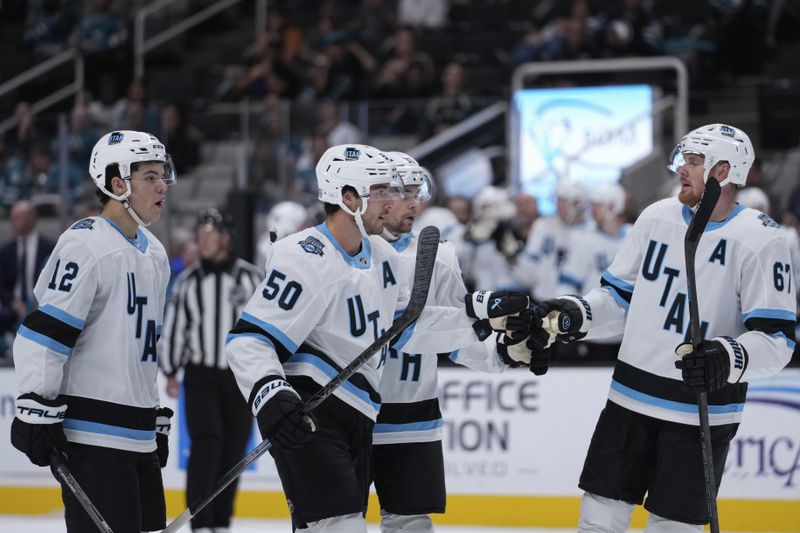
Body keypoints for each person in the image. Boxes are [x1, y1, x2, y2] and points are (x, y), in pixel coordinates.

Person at [224, 144, 525, 532]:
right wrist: (269, 394)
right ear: (348, 199)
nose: (395, 201)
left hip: (361, 414)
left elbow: (410, 327)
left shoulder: (381, 256)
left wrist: (483, 320)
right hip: (315, 411)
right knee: (340, 526)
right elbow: (248, 339)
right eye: (382, 191)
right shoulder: (304, 256)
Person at [525, 124, 796, 531]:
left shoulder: (761, 239)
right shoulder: (657, 216)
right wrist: (576, 314)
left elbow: (777, 341)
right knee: (598, 516)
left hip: (700, 410)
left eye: (694, 162)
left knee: (674, 526)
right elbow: (619, 299)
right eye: (683, 160)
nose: (682, 170)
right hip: (630, 398)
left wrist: (729, 356)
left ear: (723, 170)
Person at [10, 130, 176, 533]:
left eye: (163, 175)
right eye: (150, 177)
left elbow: (141, 345)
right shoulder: (85, 245)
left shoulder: (154, 253)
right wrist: (36, 405)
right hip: (94, 441)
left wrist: (152, 413)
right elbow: (44, 332)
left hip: (138, 437)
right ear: (118, 184)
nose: (163, 186)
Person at [374, 152, 523, 533]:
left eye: (415, 192)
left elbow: (455, 335)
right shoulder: (345, 252)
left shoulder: (437, 254)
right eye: (401, 192)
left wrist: (501, 354)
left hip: (412, 413)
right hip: (346, 412)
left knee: (409, 525)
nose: (414, 203)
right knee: (331, 523)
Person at [160, 207, 264, 533]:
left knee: (234, 448)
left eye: (210, 235)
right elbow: (176, 328)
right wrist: (171, 370)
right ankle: (200, 522)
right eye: (200, 235)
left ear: (227, 239)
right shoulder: (188, 281)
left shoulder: (250, 277)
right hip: (201, 374)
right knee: (207, 443)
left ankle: (220, 522)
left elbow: (266, 324)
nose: (203, 241)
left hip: (239, 376)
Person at [555, 182, 629, 363]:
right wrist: (565, 319)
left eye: (597, 205)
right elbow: (568, 282)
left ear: (612, 206)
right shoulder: (583, 238)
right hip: (593, 332)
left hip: (628, 334)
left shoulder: (634, 235)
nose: (592, 210)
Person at [0, 200, 56, 336]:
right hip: (12, 309)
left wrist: (35, 305)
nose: (13, 221)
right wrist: (15, 304)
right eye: (12, 217)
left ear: (31, 218)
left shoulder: (50, 248)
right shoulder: (6, 251)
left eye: (17, 217)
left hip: (41, 306)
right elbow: (1, 285)